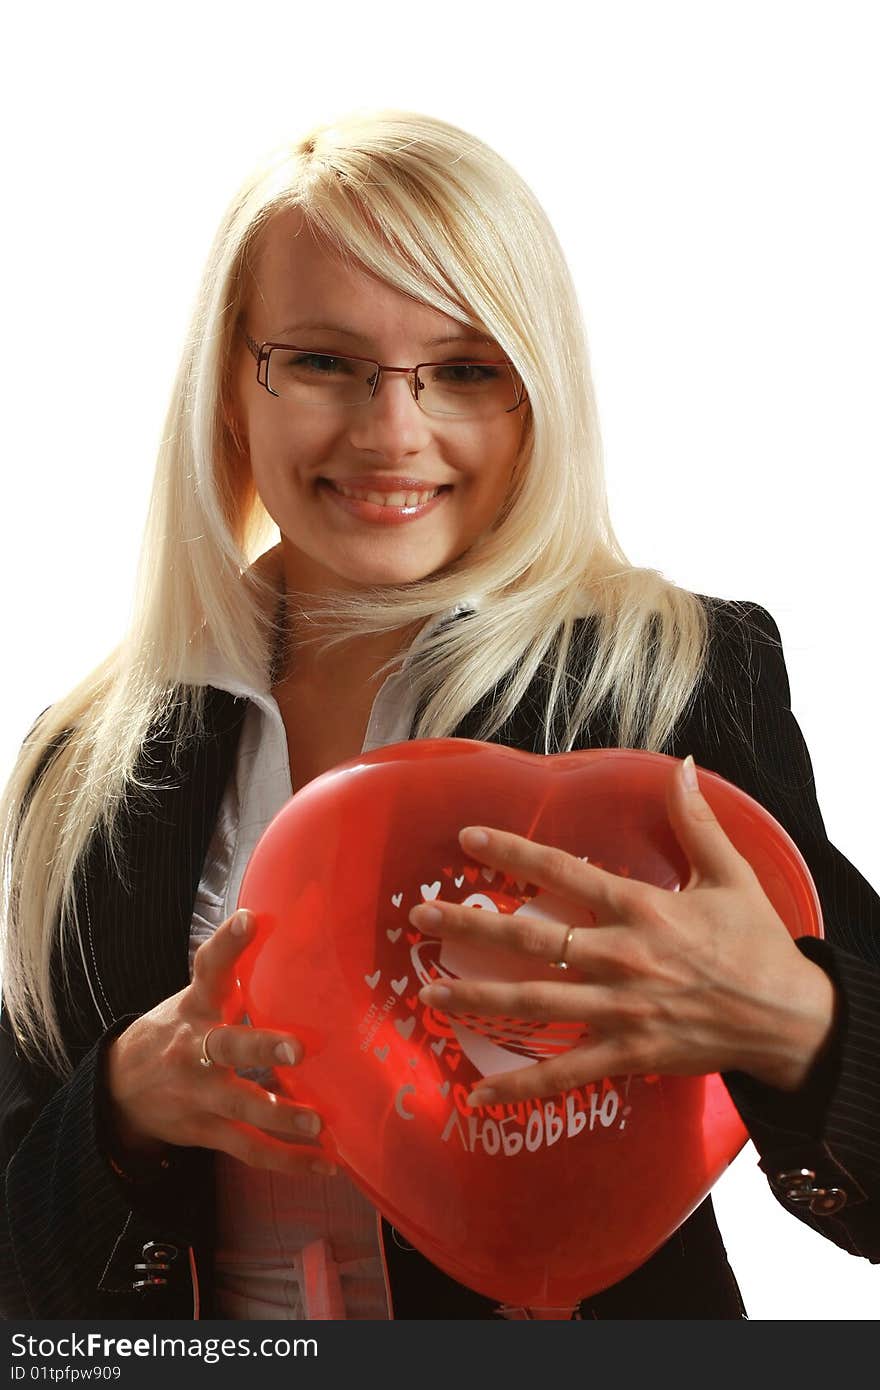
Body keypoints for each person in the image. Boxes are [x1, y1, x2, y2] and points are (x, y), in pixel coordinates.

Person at [1, 108, 878, 1322]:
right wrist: (119, 1111)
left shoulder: (670, 675)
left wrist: (800, 1024)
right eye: (320, 361)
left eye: (465, 370)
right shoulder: (83, 759)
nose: (389, 432)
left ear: (538, 397)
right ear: (228, 388)